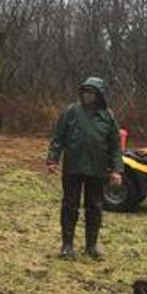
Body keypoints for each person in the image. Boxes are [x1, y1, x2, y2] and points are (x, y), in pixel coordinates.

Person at [46, 77, 124, 259]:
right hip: (73, 167)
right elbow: (58, 138)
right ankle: (67, 246)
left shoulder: (108, 116)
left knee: (95, 207)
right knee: (70, 206)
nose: (87, 95)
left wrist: (117, 170)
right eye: (85, 92)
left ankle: (91, 246)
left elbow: (115, 146)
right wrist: (52, 160)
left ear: (99, 95)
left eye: (91, 92)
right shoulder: (71, 112)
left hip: (98, 169)